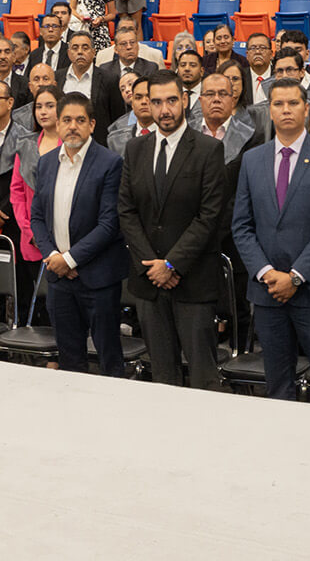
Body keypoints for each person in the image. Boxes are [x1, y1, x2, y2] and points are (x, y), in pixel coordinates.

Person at [230, 78, 310, 404]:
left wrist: (295, 277)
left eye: (293, 103)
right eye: (279, 104)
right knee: (277, 386)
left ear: (306, 109)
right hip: (267, 292)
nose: (286, 110)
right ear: (269, 110)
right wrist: (267, 273)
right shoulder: (252, 160)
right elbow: (241, 225)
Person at [115, 72, 227, 390]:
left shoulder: (208, 149)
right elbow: (127, 211)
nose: (165, 110)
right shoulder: (135, 149)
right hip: (149, 282)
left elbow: (209, 216)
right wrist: (153, 266)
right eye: (157, 102)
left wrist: (172, 264)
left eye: (171, 100)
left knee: (203, 379)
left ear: (185, 100)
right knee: (162, 379)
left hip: (193, 282)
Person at [24, 92, 127, 375]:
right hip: (59, 280)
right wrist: (53, 256)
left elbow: (109, 224)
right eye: (67, 120)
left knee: (109, 361)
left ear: (92, 124)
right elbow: (37, 217)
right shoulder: (46, 163)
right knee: (69, 361)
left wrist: (69, 259)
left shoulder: (110, 163)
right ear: (57, 124)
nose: (73, 126)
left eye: (80, 120)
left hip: (98, 279)